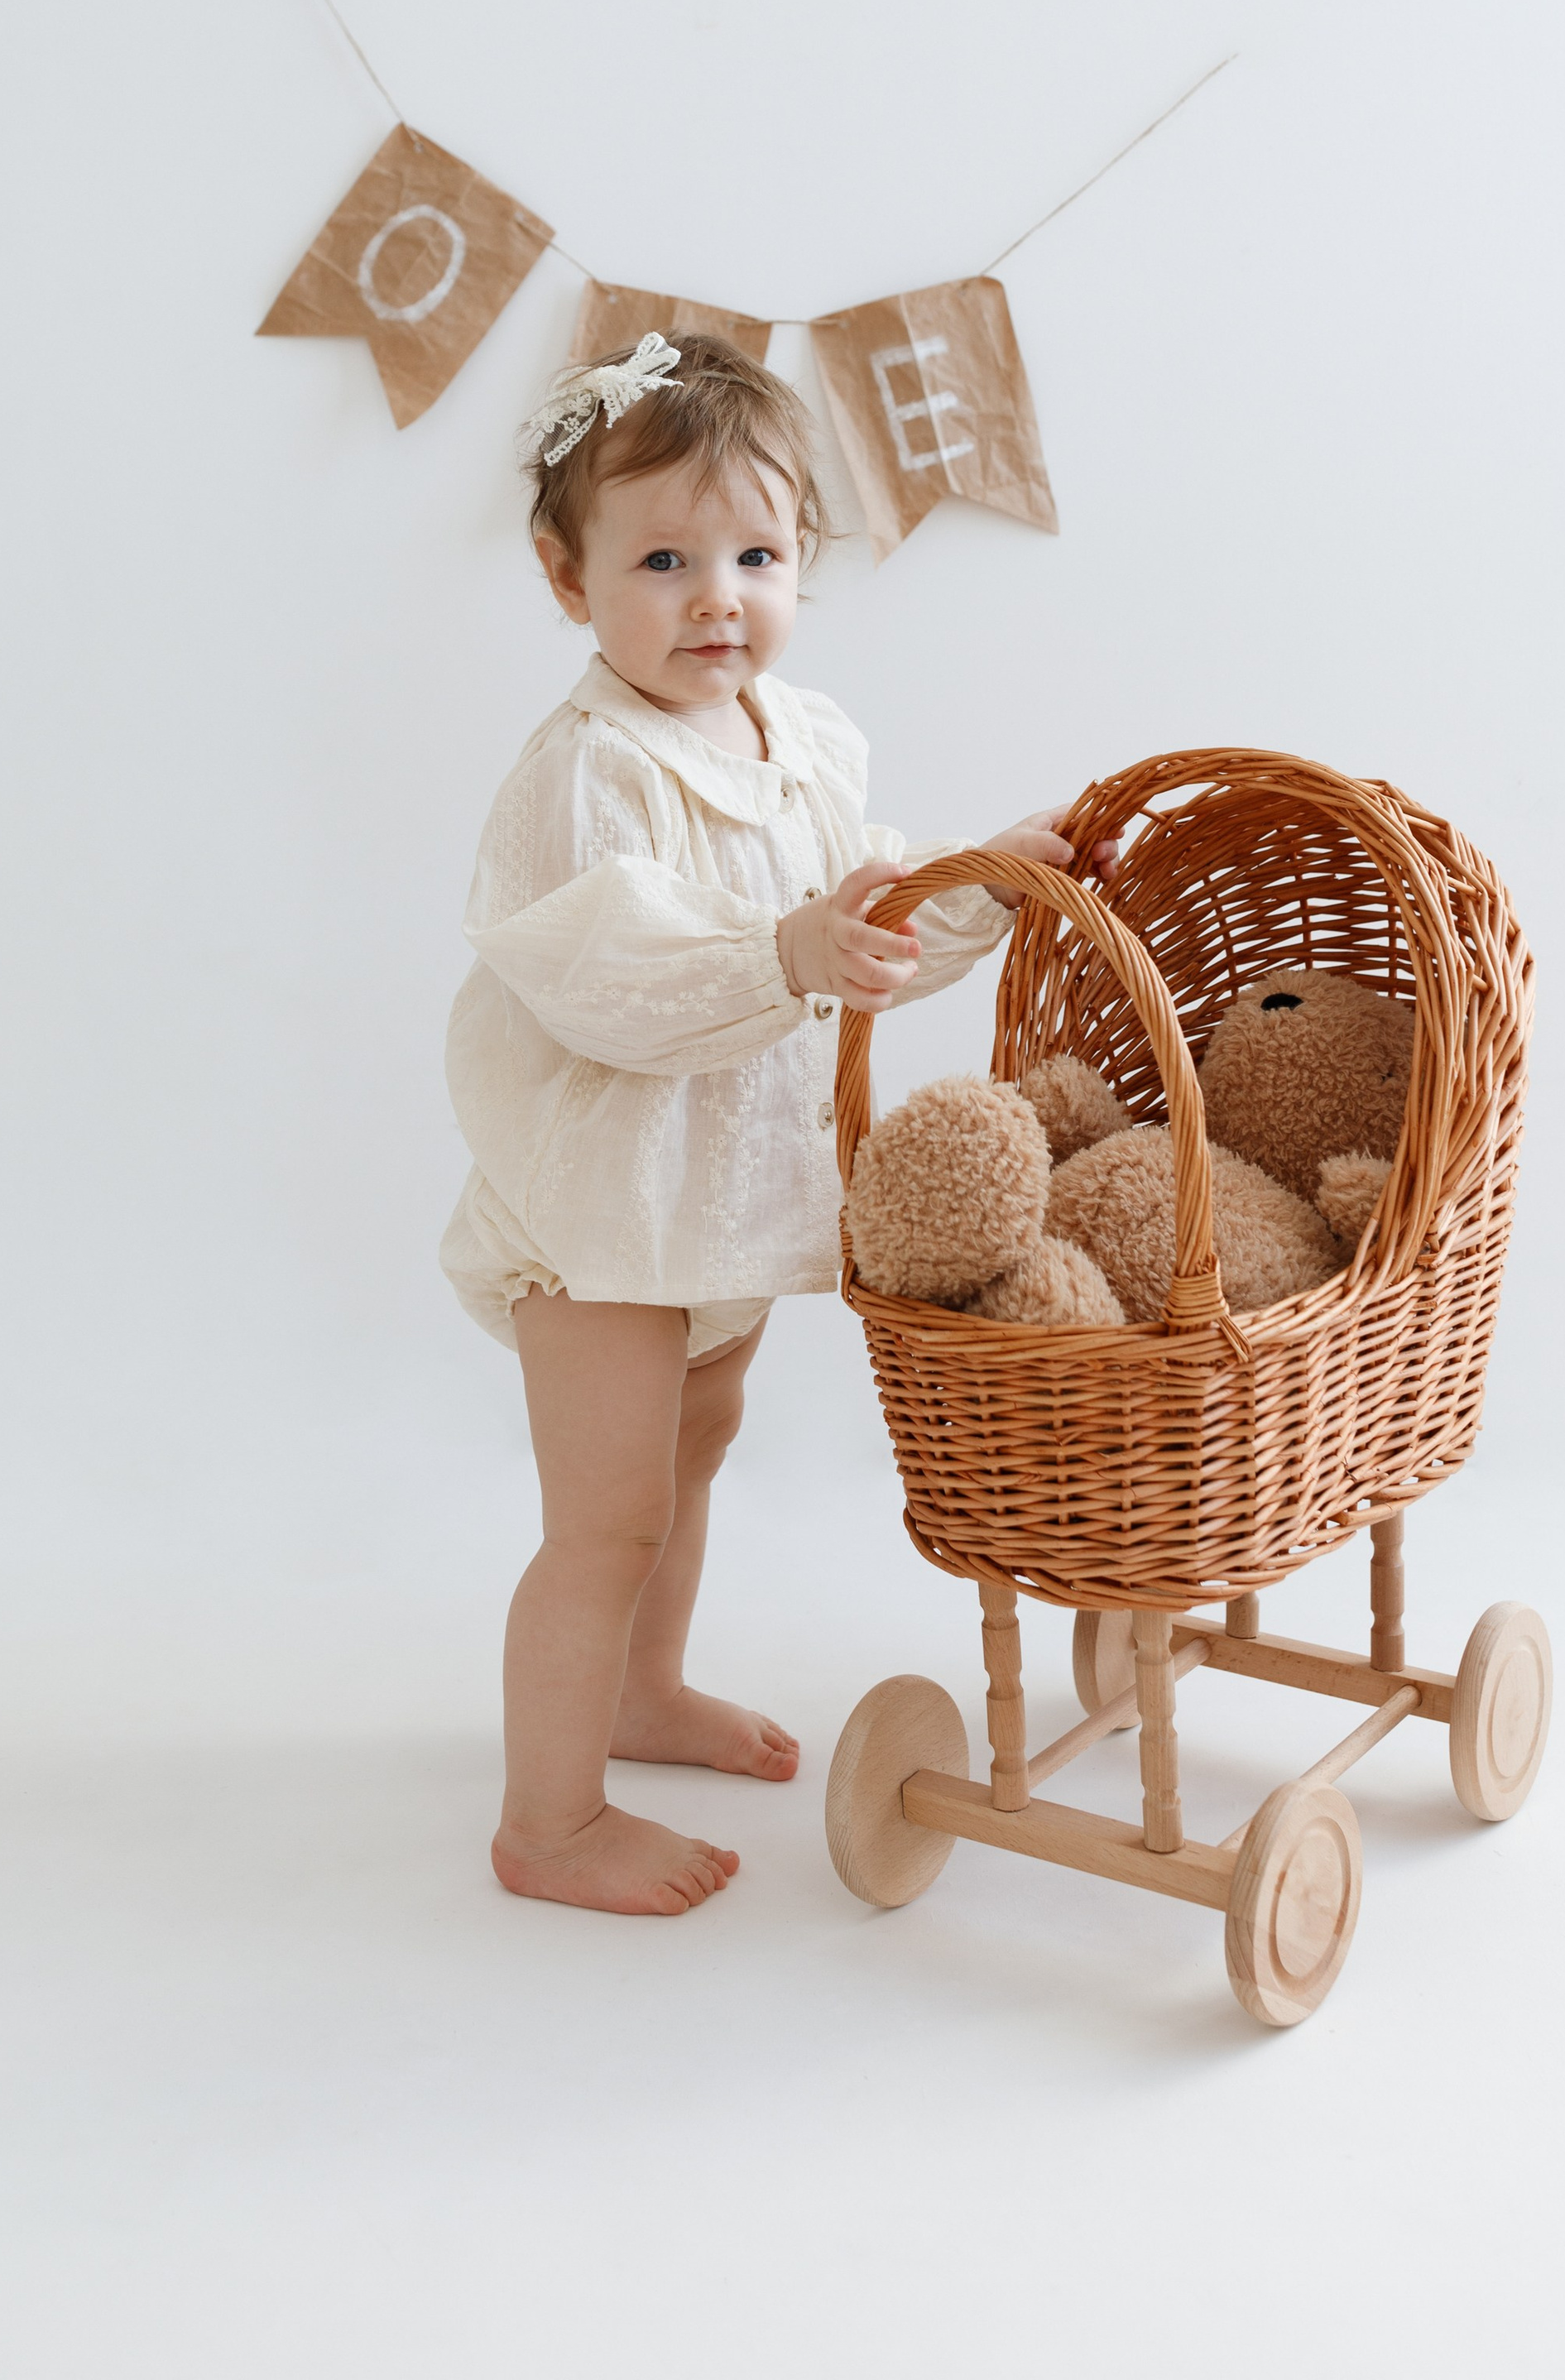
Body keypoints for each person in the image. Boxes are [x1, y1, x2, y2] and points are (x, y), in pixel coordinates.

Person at [440, 329, 1102, 1917]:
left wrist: (976, 885)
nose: (716, 596)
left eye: (756, 553)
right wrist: (784, 951)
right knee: (604, 1516)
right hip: (605, 1207)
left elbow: (858, 924)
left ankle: (643, 1691)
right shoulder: (592, 771)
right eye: (662, 559)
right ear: (565, 576)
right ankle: (549, 1820)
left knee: (696, 1450)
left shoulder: (801, 741)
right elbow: (616, 975)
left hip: (719, 1199)